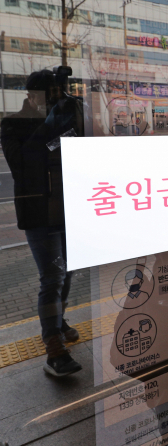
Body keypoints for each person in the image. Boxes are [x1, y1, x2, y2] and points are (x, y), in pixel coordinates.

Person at [1, 69, 85, 377]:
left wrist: (79, 119)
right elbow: (21, 166)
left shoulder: (65, 117)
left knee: (68, 271)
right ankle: (54, 348)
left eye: (57, 96)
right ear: (31, 95)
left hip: (69, 209)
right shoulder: (12, 124)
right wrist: (49, 126)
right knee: (52, 277)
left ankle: (58, 320)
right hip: (39, 212)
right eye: (48, 96)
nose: (52, 102)